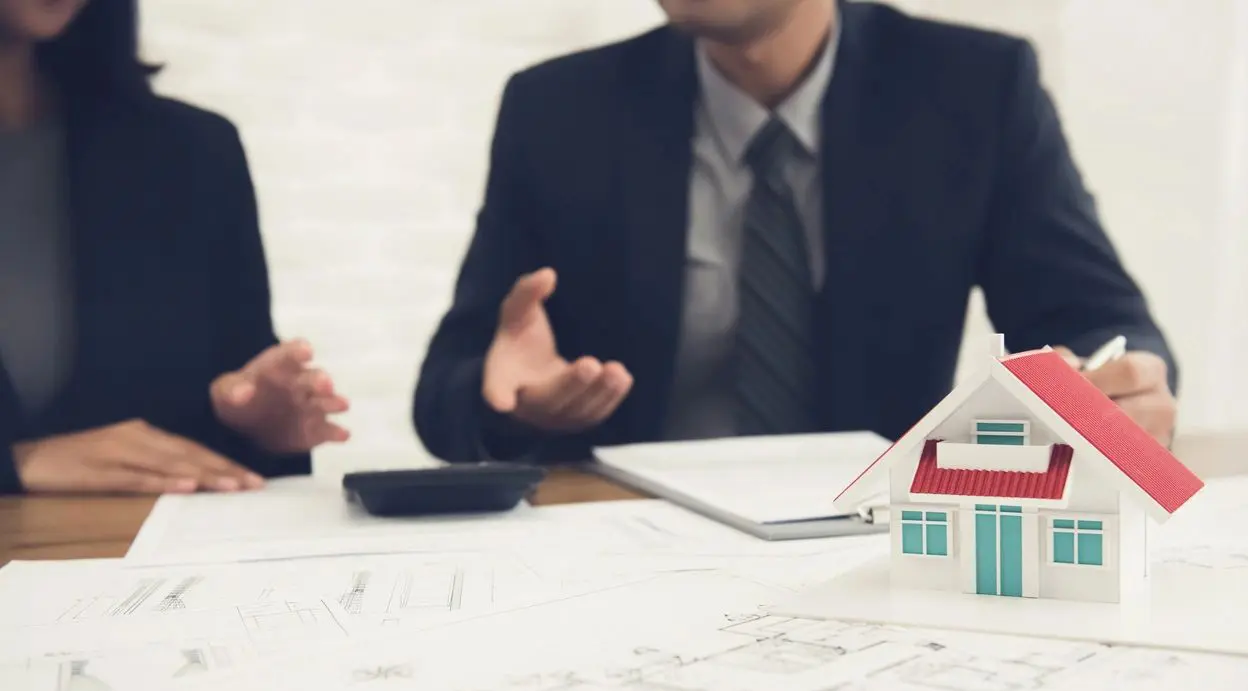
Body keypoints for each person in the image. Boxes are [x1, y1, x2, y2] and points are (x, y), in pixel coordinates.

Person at [413, 0, 1179, 464]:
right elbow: (448, 389)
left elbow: (1092, 319)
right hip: (619, 543)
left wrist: (1121, 383)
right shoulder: (558, 110)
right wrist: (511, 404)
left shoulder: (975, 89)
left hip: (873, 543)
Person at [0, 0, 349, 496]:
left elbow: (219, 442)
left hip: (142, 565)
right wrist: (17, 464)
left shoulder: (192, 153)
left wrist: (260, 426)